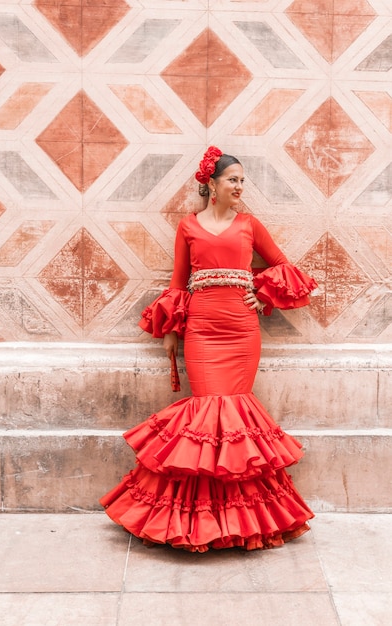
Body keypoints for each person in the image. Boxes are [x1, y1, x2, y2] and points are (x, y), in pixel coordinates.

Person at [100, 146, 318, 552]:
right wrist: (170, 331)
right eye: (232, 179)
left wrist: (261, 294)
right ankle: (193, 520)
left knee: (234, 416)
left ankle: (241, 521)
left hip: (241, 331)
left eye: (241, 180)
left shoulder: (249, 224)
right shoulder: (187, 226)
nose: (239, 186)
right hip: (201, 330)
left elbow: (282, 266)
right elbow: (179, 283)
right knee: (205, 416)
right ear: (211, 185)